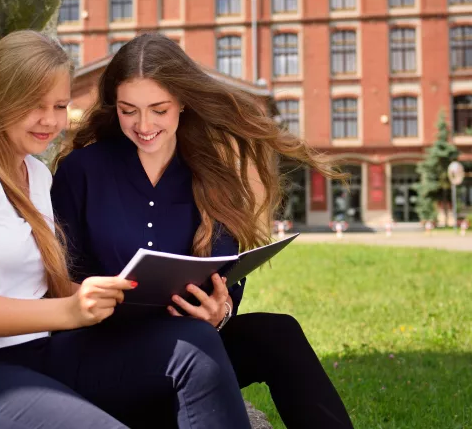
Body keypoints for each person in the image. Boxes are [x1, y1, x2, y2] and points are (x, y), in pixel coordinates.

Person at [0, 30, 252, 429]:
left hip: (35, 353)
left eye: (60, 105)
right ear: (0, 98)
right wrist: (68, 309)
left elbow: (44, 286)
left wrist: (106, 293)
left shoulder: (34, 174)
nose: (50, 120)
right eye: (34, 105)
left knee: (196, 346)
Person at [52, 33, 355, 428]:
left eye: (158, 110)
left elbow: (227, 269)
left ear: (182, 101)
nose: (144, 125)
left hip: (196, 342)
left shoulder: (211, 172)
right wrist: (88, 295)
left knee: (278, 332)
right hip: (106, 355)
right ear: (115, 107)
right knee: (195, 344)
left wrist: (221, 311)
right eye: (129, 111)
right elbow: (56, 275)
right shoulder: (81, 171)